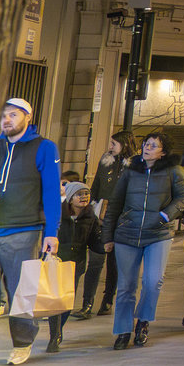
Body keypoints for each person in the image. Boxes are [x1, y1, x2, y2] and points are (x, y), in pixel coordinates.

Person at [103, 130, 184, 350]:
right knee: (126, 286)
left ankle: (143, 320)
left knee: (153, 281)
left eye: (153, 145)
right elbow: (115, 203)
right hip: (127, 233)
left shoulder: (174, 171)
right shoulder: (131, 171)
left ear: (163, 152)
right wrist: (108, 235)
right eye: (146, 144)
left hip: (158, 234)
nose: (147, 148)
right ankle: (123, 330)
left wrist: (165, 216)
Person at [0, 97, 61, 366]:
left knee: (20, 291)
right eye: (4, 115)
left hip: (23, 229)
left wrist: (52, 232)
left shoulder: (44, 147)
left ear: (28, 117)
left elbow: (51, 192)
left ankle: (22, 343)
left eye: (13, 114)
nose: (7, 119)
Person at [82, 129, 134, 318]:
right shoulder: (105, 161)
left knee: (114, 263)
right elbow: (96, 184)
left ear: (124, 145)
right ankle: (87, 303)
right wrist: (90, 206)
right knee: (95, 260)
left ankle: (107, 299)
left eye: (114, 144)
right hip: (101, 214)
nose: (110, 147)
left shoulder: (135, 165)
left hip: (122, 217)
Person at [48, 182, 99, 354]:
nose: (84, 197)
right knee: (56, 301)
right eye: (80, 194)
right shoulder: (57, 213)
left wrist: (109, 243)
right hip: (57, 262)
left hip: (76, 264)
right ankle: (54, 336)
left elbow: (95, 241)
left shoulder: (91, 217)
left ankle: (58, 330)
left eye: (86, 194)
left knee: (67, 304)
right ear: (70, 198)